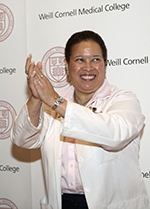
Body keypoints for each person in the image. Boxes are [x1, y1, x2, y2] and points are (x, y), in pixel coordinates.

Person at [11, 30, 150, 209]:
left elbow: (114, 135)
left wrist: (54, 100)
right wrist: (37, 97)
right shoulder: (52, 103)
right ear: (67, 66)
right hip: (63, 202)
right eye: (79, 60)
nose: (88, 67)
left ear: (105, 65)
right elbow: (22, 138)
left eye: (95, 59)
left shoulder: (124, 99)